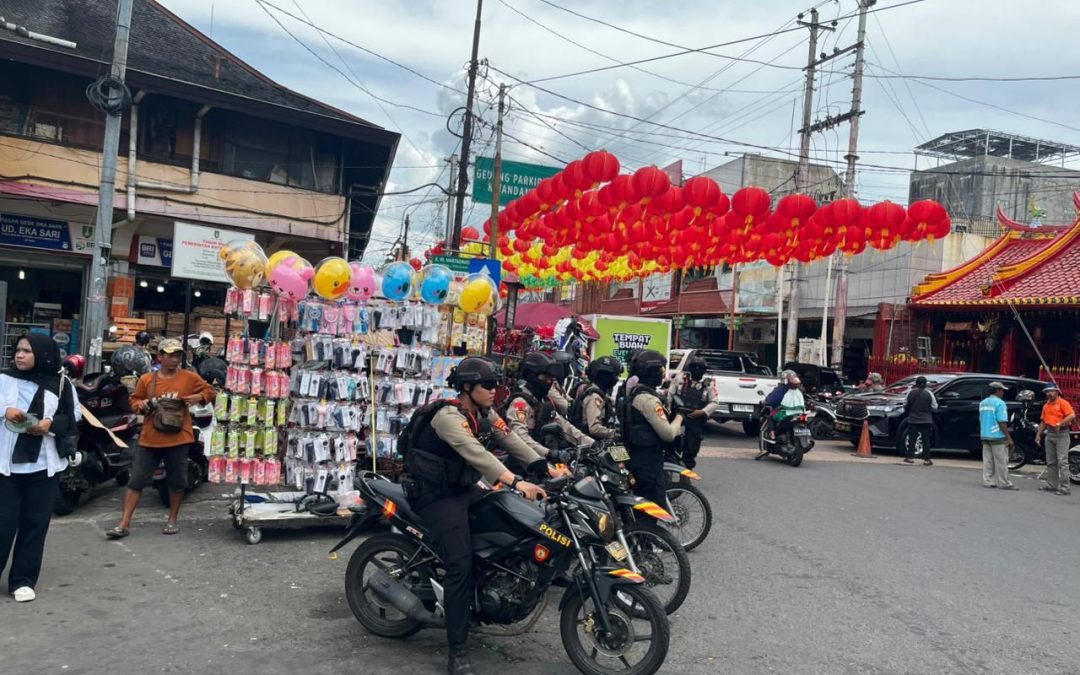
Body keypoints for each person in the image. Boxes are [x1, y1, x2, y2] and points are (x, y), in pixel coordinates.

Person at [402, 356, 562, 675]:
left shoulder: (485, 413)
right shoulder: (448, 417)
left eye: (496, 384)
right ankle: (457, 648)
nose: (494, 390)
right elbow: (479, 455)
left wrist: (545, 467)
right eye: (488, 385)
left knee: (508, 523)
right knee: (460, 565)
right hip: (436, 496)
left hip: (464, 488)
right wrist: (517, 481)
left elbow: (510, 439)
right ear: (467, 387)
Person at [106, 338, 215, 538]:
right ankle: (124, 523)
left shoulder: (189, 378)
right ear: (160, 357)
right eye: (171, 355)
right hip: (150, 439)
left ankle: (172, 519)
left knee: (177, 482)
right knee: (136, 481)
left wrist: (199, 398)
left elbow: (210, 390)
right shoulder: (147, 379)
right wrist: (142, 405)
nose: (175, 359)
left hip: (179, 439)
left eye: (178, 355)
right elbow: (135, 400)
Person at [0, 334, 79, 603]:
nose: (19, 356)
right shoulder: (4, 379)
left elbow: (72, 417)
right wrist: (5, 411)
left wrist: (48, 425)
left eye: (27, 351)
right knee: (3, 524)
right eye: (18, 350)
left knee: (35, 525)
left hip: (43, 466)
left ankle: (22, 580)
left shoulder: (60, 384)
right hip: (6, 467)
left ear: (43, 355)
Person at [621, 350, 682, 506]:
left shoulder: (632, 393)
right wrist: (679, 418)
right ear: (652, 372)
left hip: (634, 457)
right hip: (647, 463)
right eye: (660, 370)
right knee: (650, 511)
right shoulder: (648, 400)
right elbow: (668, 434)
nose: (662, 374)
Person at [504, 352, 592, 458]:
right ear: (532, 376)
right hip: (523, 465)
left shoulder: (542, 402)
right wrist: (549, 453)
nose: (549, 382)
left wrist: (592, 444)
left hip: (542, 460)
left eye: (551, 379)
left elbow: (565, 426)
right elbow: (520, 439)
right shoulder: (519, 403)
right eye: (546, 378)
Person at [663, 355, 719, 469]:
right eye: (694, 366)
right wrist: (667, 412)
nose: (697, 369)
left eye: (700, 367)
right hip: (677, 416)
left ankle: (686, 476)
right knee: (670, 445)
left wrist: (702, 412)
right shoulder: (680, 379)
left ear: (704, 370)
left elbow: (715, 402)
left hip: (695, 419)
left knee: (691, 448)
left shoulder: (708, 384)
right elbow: (670, 395)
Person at [1036, 383, 1075, 496]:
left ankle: (1064, 487)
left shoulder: (1062, 403)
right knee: (1051, 461)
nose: (1050, 393)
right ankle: (1052, 484)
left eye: (1052, 391)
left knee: (1062, 461)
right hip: (1050, 433)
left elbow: (1071, 415)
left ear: (1057, 392)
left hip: (1062, 433)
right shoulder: (1046, 405)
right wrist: (1038, 435)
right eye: (1047, 391)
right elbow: (1043, 421)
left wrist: (1060, 423)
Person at [570, 355, 622, 440]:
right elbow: (594, 429)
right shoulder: (594, 397)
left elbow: (611, 402)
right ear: (607, 377)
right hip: (591, 446)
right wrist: (616, 433)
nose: (616, 379)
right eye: (616, 376)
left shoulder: (599, 393)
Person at [979, 381, 1016, 490]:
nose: (1003, 392)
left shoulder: (983, 402)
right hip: (997, 436)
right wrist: (1008, 437)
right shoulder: (1000, 403)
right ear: (998, 391)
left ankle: (988, 481)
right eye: (1002, 390)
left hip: (985, 434)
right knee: (1001, 461)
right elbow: (1002, 421)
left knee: (988, 461)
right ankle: (1004, 483)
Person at [903, 375, 937, 466]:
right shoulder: (929, 394)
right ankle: (926, 459)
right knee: (926, 440)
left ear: (916, 384)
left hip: (913, 419)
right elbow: (935, 406)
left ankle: (910, 458)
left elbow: (905, 404)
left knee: (912, 439)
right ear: (925, 384)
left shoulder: (910, 393)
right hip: (926, 420)